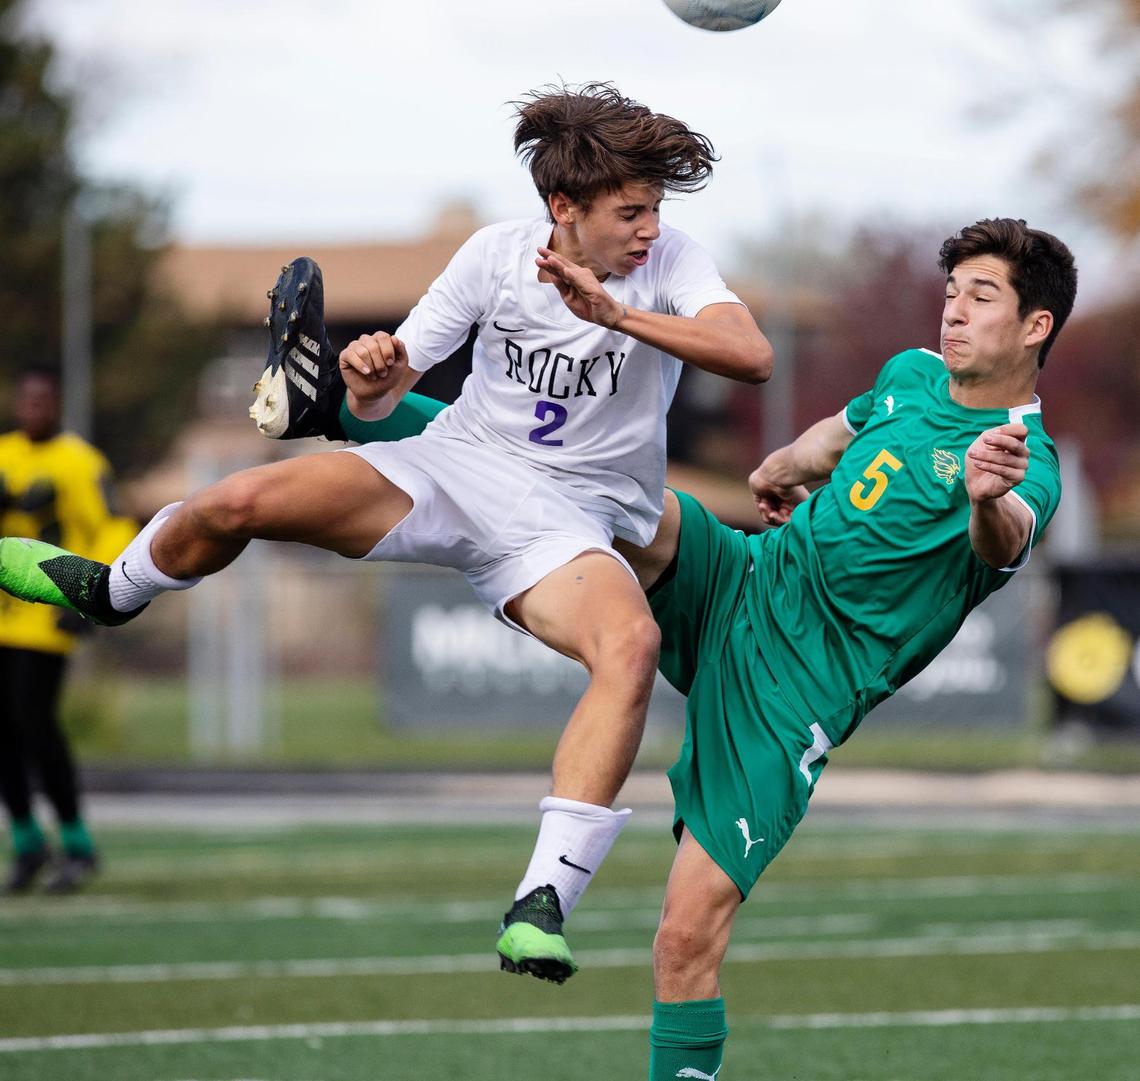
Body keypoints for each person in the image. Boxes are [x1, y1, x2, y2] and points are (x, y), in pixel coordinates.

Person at [245, 216, 1076, 1076]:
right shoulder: (911, 374)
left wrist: (984, 496)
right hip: (746, 578)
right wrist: (782, 466)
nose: (954, 311)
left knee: (683, 940)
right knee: (589, 483)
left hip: (792, 694)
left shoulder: (1025, 458)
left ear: (1034, 325)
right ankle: (335, 404)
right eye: (951, 292)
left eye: (982, 297)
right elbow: (844, 431)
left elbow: (1006, 541)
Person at [0, 83, 772, 977]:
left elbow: (751, 356)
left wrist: (618, 313)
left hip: (571, 519)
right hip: (452, 466)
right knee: (238, 504)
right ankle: (110, 590)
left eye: (655, 210)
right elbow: (386, 392)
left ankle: (542, 900)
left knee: (630, 644)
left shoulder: (672, 263)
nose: (648, 227)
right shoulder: (494, 256)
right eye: (630, 210)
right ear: (563, 208)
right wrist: (369, 369)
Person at [0, 366, 135, 893]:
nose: (34, 410)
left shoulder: (79, 461)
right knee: (3, 732)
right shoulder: (6, 452)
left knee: (33, 722)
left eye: (43, 402)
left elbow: (114, 525)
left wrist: (86, 593)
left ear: (57, 405)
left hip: (46, 613)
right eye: (25, 401)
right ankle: (28, 841)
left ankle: (76, 843)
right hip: (5, 613)